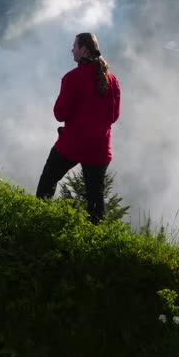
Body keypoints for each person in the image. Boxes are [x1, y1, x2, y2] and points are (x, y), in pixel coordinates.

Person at [35, 32, 121, 223]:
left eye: (74, 46)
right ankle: (95, 239)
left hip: (73, 144)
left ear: (83, 49)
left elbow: (60, 114)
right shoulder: (111, 79)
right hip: (99, 148)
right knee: (95, 197)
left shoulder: (72, 78)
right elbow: (114, 116)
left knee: (48, 181)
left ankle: (38, 221)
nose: (71, 50)